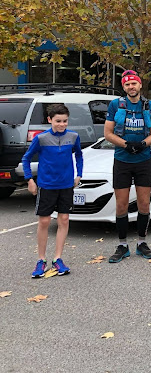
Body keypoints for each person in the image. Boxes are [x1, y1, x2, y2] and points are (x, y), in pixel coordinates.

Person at [23, 104, 83, 277]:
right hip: (47, 185)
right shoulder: (41, 138)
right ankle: (41, 260)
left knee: (64, 219)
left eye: (65, 121)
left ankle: (58, 259)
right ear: (49, 120)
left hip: (66, 185)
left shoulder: (73, 136)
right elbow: (26, 158)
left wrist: (79, 174)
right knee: (44, 221)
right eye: (58, 121)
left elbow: (79, 155)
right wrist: (29, 180)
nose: (62, 124)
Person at [105, 70, 151, 263]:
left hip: (143, 160)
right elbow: (108, 133)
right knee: (121, 204)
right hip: (122, 160)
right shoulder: (115, 105)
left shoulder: (150, 106)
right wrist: (126, 145)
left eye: (134, 83)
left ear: (140, 85)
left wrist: (143, 144)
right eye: (127, 84)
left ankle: (142, 243)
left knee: (144, 203)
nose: (131, 87)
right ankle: (122, 245)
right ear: (124, 87)